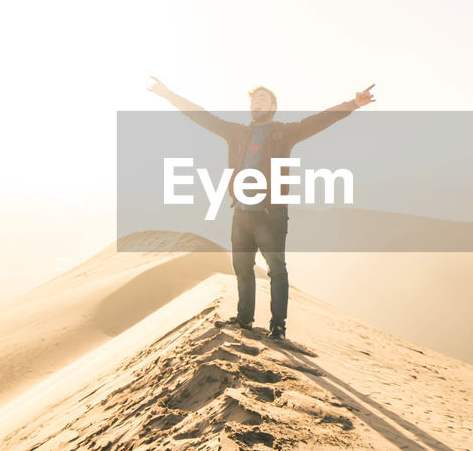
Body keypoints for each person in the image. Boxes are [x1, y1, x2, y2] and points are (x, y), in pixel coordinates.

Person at [147, 77, 376, 340]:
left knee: (276, 269)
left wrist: (353, 104)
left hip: (271, 214)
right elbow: (203, 117)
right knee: (242, 267)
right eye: (254, 99)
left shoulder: (285, 132)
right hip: (241, 212)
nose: (258, 102)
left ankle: (278, 327)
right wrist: (169, 95)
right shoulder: (236, 133)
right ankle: (244, 319)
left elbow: (319, 120)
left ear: (273, 106)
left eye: (264, 98)